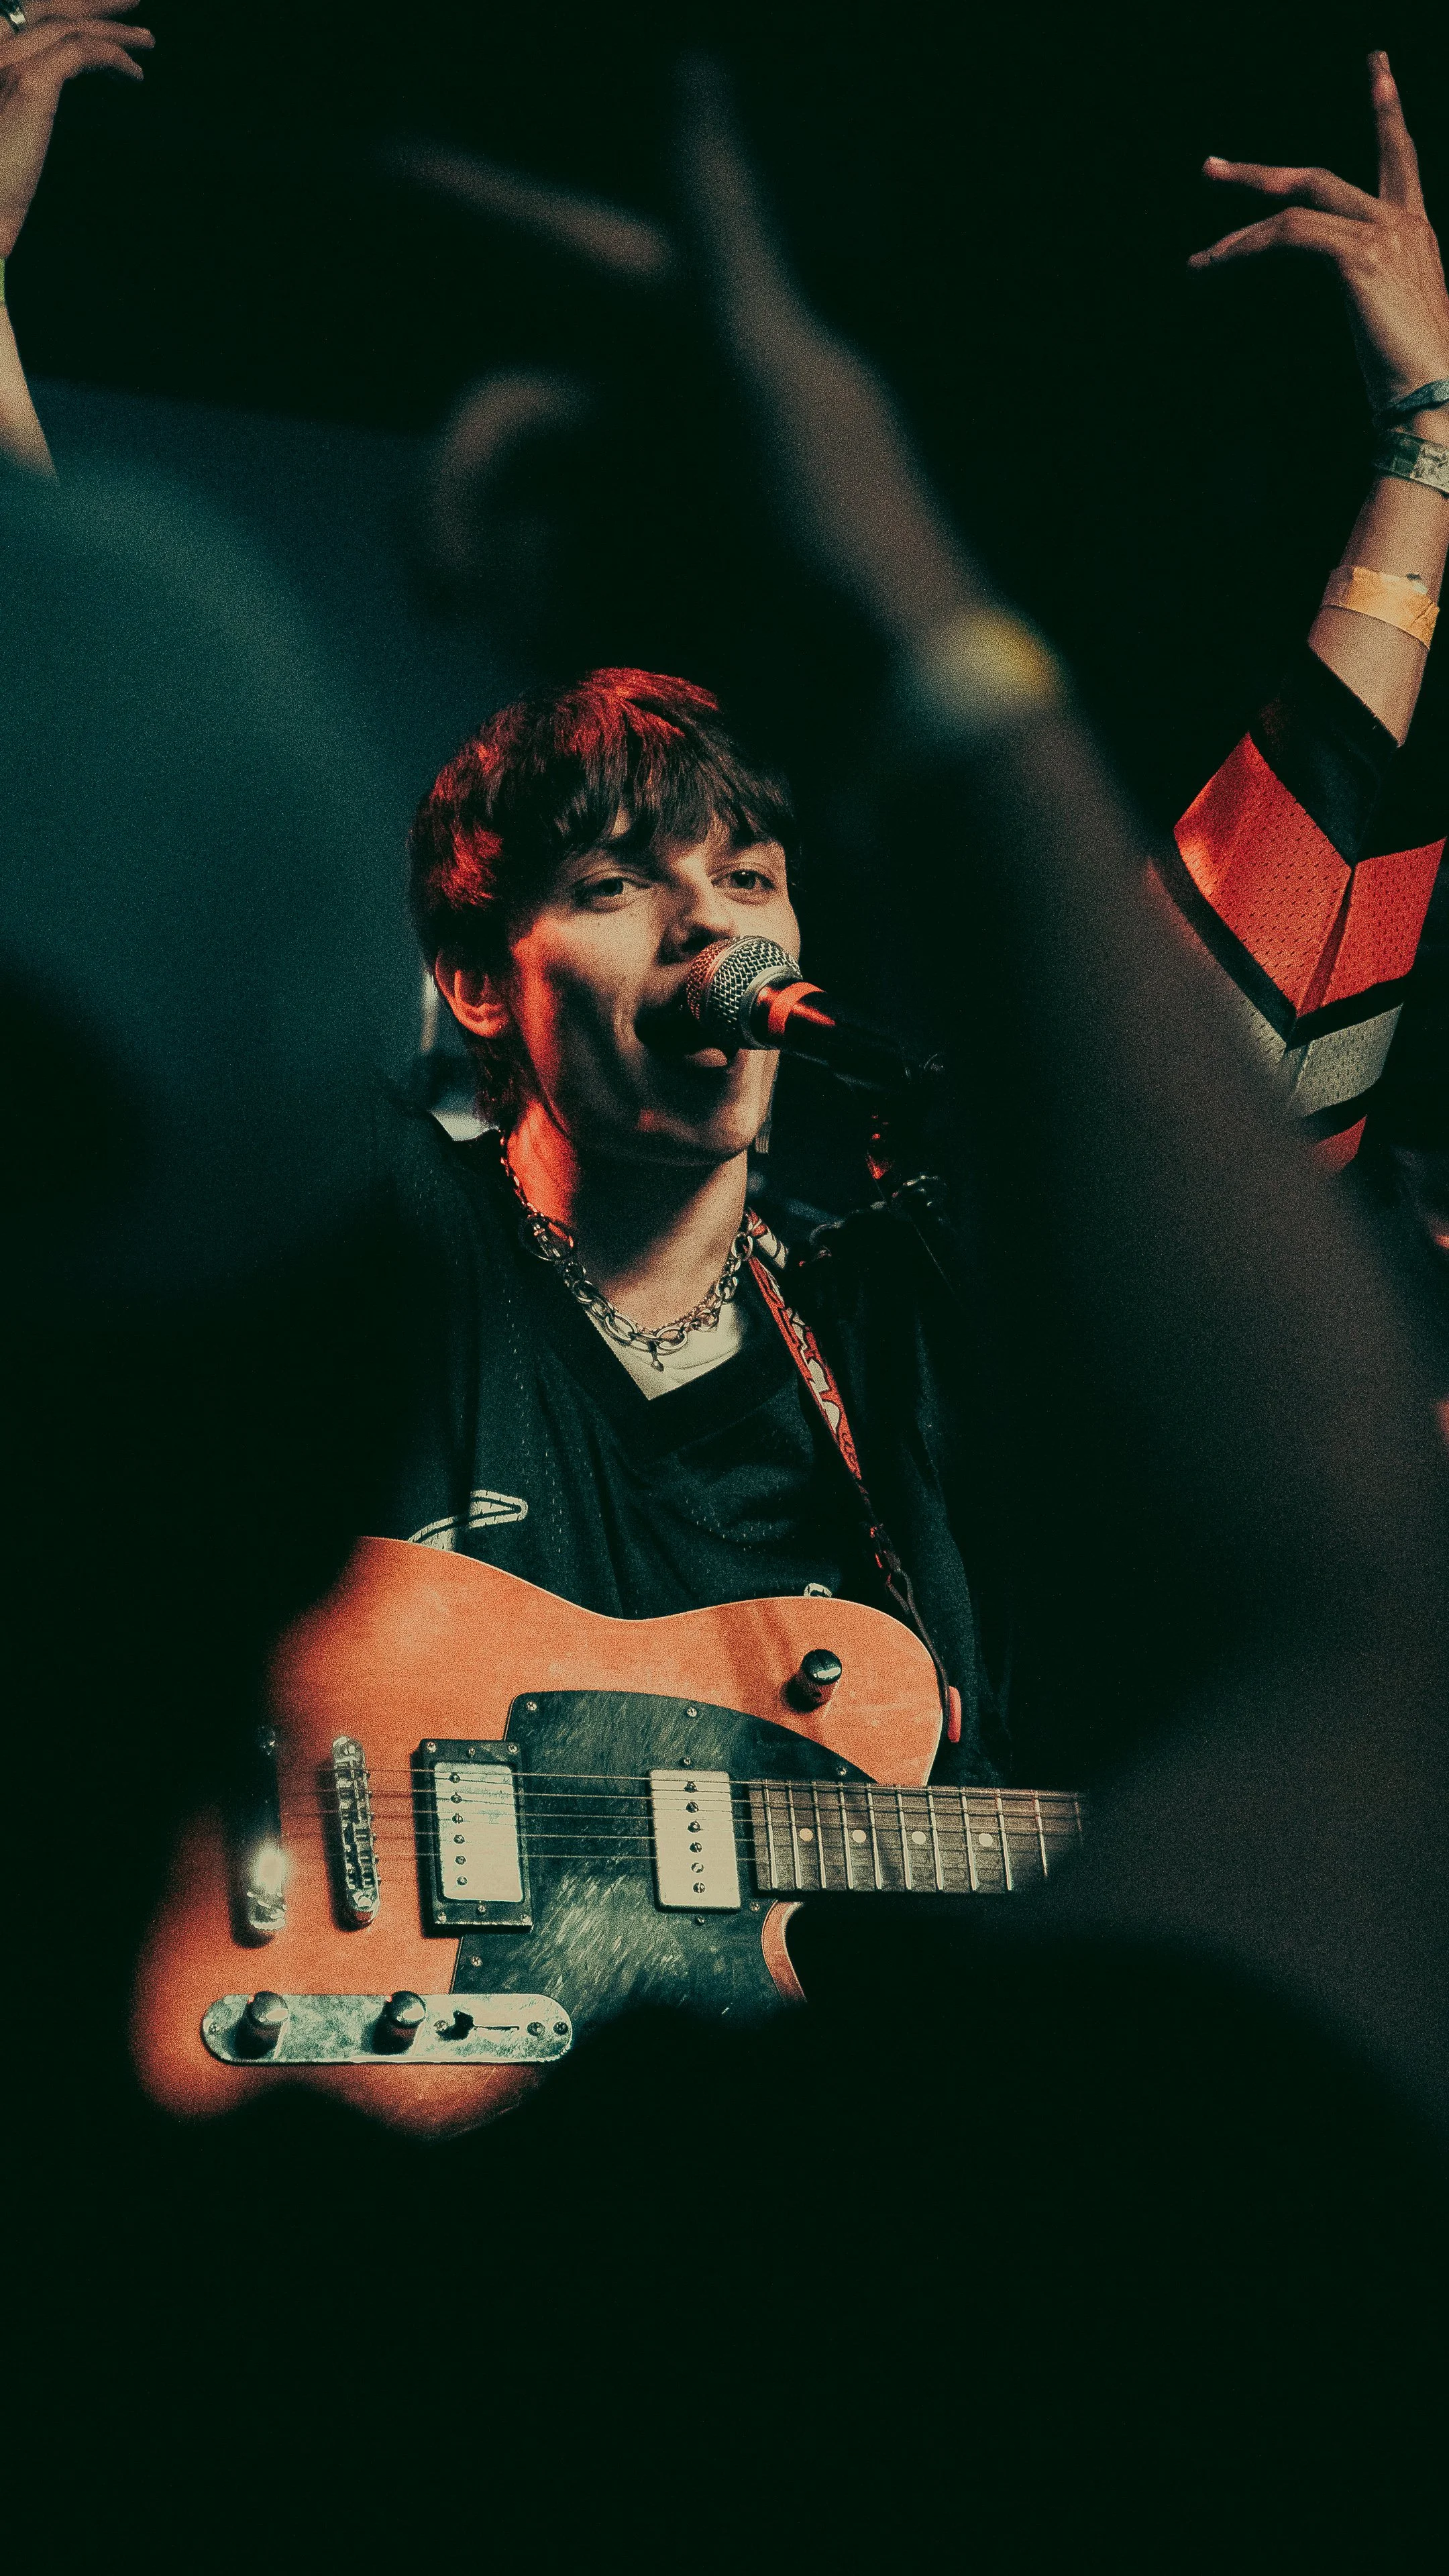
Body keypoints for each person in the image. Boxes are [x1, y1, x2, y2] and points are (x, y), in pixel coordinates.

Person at [4, 36, 1448, 2562]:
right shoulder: (405, 1257)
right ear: (472, 980)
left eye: (749, 868)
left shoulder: (887, 1316)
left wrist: (1426, 472)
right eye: (615, 873)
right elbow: (111, 921)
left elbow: (1250, 1019)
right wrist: (898, 608)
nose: (709, 922)